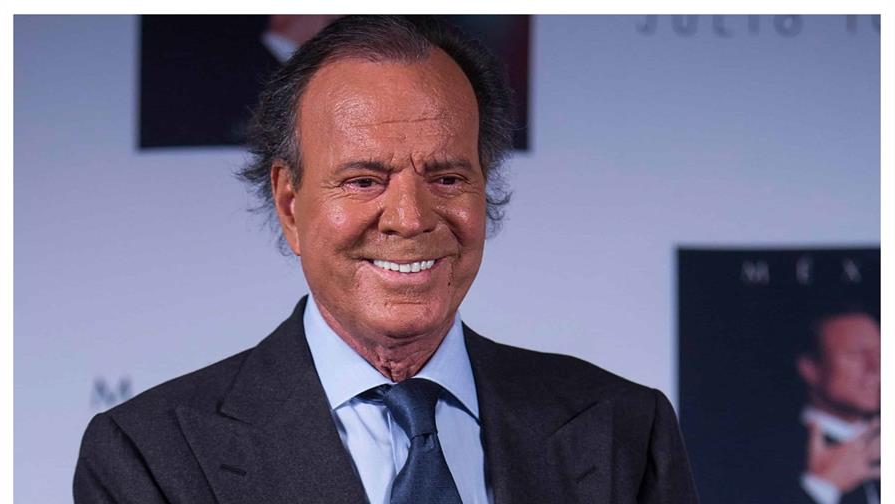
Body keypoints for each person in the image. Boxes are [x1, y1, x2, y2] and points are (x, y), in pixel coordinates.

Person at [74, 15, 698, 503]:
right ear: (290, 203)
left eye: (448, 178)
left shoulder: (624, 431)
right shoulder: (151, 457)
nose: (410, 217)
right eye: (364, 180)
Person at [793, 308, 881, 504]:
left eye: (880, 354)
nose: (875, 368)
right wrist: (821, 488)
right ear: (810, 368)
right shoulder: (762, 452)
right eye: (855, 354)